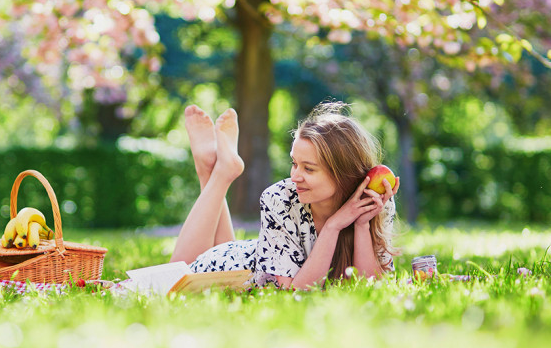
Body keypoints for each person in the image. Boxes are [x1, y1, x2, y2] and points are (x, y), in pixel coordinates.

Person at [170, 102, 398, 290]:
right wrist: (333, 226)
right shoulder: (280, 197)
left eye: (308, 169)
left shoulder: (375, 200)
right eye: (294, 163)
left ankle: (213, 170)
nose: (295, 176)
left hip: (250, 265)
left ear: (344, 175)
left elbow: (371, 289)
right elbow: (296, 292)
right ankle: (216, 173)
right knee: (171, 281)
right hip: (224, 266)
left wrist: (361, 226)